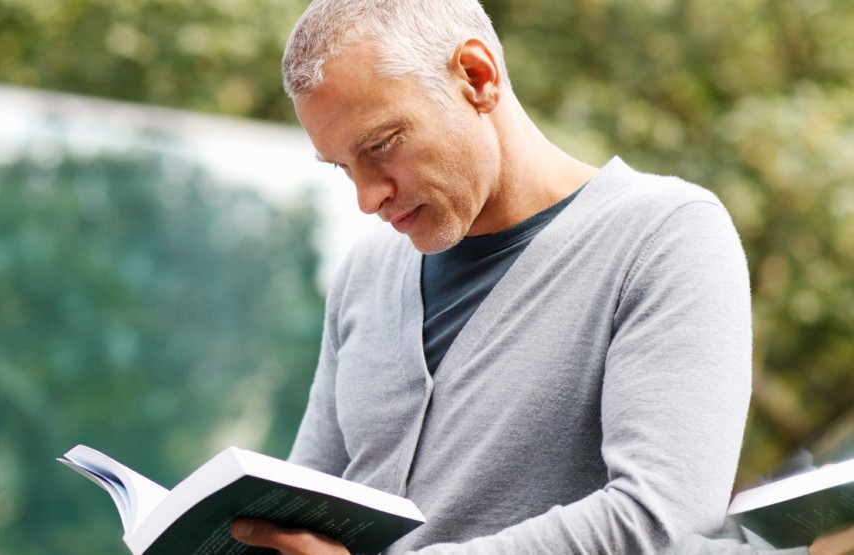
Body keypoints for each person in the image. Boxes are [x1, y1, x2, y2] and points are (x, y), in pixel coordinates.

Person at [221, 0, 784, 552]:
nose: (368, 198)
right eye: (344, 168)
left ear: (476, 76)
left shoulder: (664, 237)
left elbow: (665, 520)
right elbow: (297, 511)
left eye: (381, 146)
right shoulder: (364, 275)